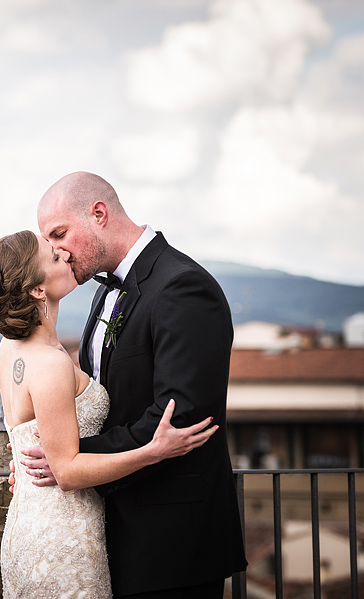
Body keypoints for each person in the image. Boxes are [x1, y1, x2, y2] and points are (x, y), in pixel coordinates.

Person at [19, 171, 247, 598]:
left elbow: (181, 418)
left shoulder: (182, 287)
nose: (56, 251)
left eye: (60, 233)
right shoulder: (103, 292)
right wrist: (45, 453)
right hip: (110, 534)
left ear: (99, 214)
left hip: (171, 543)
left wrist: (68, 460)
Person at [0, 230, 218, 599]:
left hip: (30, 522)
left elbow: (33, 433)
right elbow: (66, 472)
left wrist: (24, 460)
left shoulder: (9, 348)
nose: (65, 257)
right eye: (53, 257)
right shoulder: (50, 363)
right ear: (37, 290)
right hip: (62, 536)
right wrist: (153, 451)